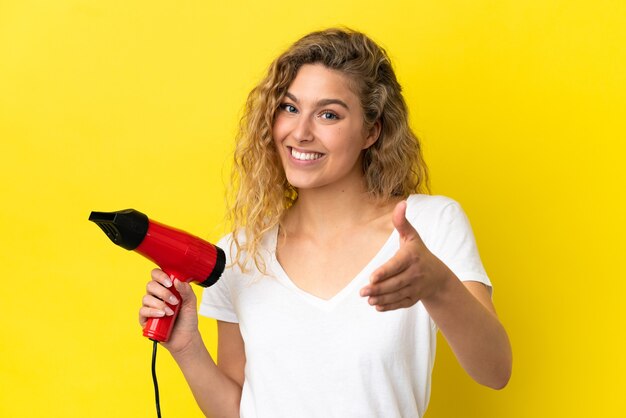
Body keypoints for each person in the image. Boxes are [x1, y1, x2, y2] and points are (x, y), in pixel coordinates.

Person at [139, 28, 512, 418]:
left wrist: (438, 285)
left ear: (371, 131)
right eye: (289, 107)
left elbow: (495, 371)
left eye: (329, 114)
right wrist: (186, 348)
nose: (300, 133)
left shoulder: (430, 225)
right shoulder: (238, 253)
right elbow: (236, 410)